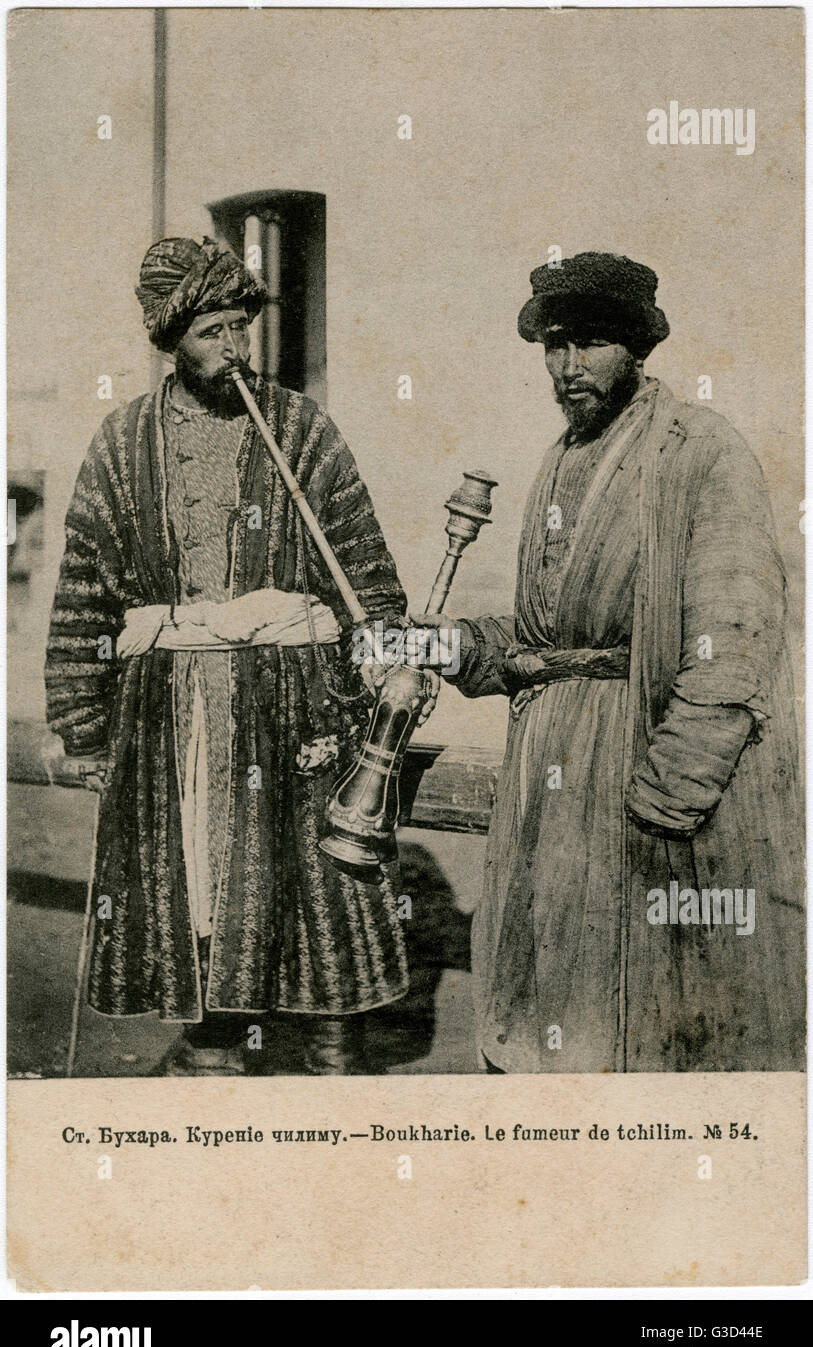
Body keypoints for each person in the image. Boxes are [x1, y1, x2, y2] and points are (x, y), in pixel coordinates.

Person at [45, 235, 434, 1076]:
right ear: (171, 339)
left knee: (318, 880)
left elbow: (362, 560)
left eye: (239, 327)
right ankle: (213, 1044)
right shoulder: (123, 442)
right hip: (173, 704)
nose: (232, 348)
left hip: (296, 697)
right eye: (210, 332)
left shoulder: (300, 429)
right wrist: (81, 720)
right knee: (198, 874)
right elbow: (84, 588)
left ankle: (333, 1042)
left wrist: (383, 650)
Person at [416, 251, 804, 1073]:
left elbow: (731, 640)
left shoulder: (698, 451)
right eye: (553, 345)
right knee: (551, 1019)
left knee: (646, 1028)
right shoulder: (563, 458)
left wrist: (667, 800)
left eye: (589, 344)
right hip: (549, 788)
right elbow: (551, 641)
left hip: (639, 789)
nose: (567, 367)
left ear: (636, 346)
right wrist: (457, 646)